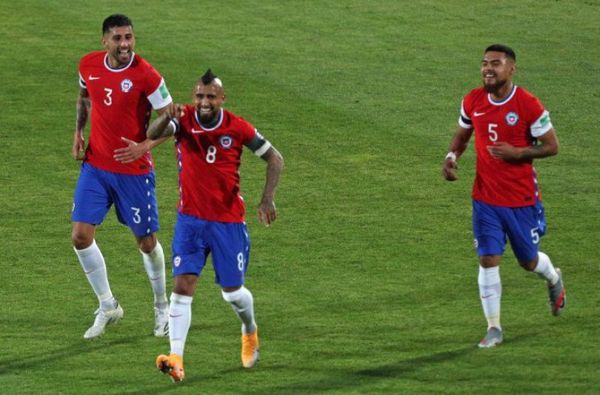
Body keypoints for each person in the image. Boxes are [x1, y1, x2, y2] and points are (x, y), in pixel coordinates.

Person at [148, 69, 283, 382]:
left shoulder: (237, 127)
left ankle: (249, 331)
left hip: (227, 223)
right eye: (199, 96)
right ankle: (176, 358)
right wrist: (165, 116)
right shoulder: (182, 119)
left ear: (222, 99)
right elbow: (154, 133)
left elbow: (275, 158)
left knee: (232, 293)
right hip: (190, 221)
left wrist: (267, 199)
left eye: (210, 97)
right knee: (182, 287)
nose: (204, 102)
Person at [442, 44, 566, 348]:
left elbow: (552, 146)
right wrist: (451, 156)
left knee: (528, 262)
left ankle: (553, 278)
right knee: (487, 258)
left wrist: (518, 152)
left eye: (495, 64)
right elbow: (463, 133)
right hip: (485, 197)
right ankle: (494, 327)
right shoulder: (473, 100)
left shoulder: (528, 105)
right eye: (484, 63)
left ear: (511, 69)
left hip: (520, 199)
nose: (488, 69)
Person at [71, 14, 174, 339]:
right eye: (117, 38)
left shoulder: (146, 75)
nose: (125, 44)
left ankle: (161, 306)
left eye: (129, 37)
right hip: (97, 166)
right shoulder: (88, 65)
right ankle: (108, 305)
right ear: (105, 41)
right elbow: (85, 97)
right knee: (80, 237)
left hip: (133, 172)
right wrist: (78, 132)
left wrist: (145, 145)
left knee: (146, 242)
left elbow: (171, 120)